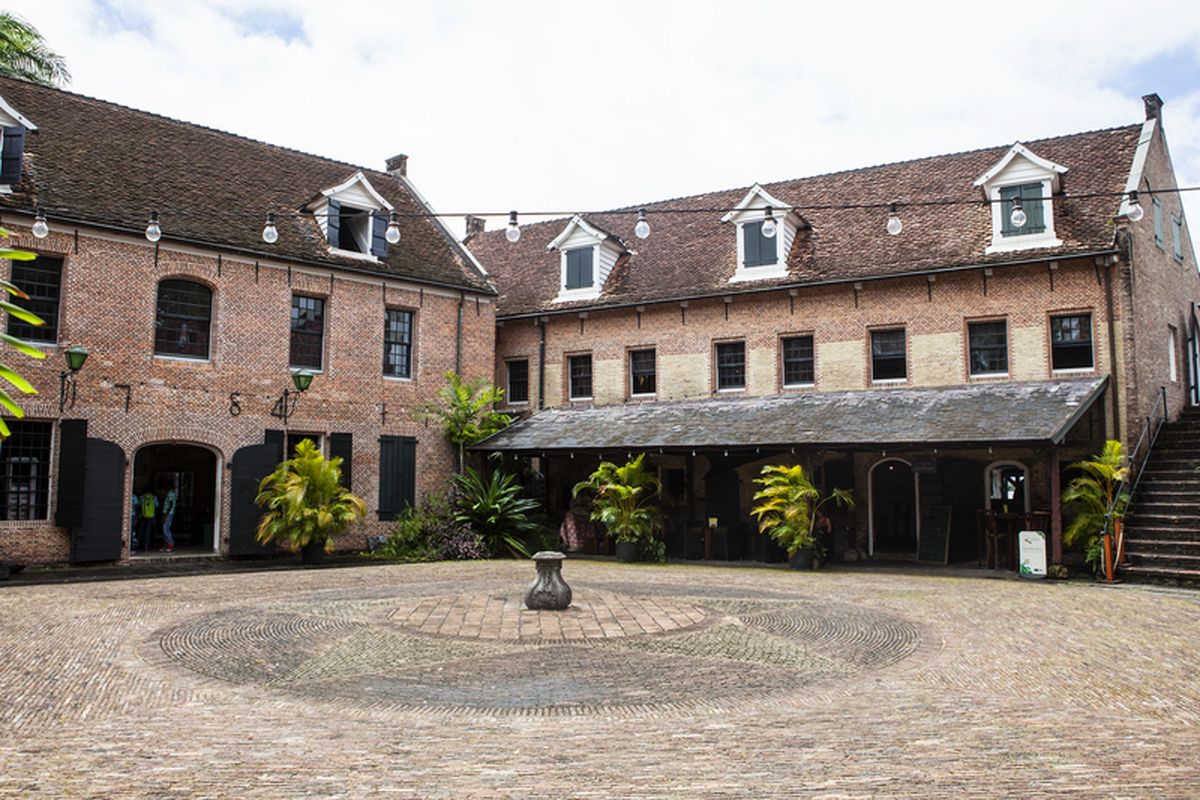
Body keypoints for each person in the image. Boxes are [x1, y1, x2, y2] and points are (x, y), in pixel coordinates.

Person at [137, 486, 158, 554]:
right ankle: (146, 546)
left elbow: (139, 505)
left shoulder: (142, 497)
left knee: (140, 531)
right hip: (151, 517)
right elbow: (156, 506)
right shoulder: (154, 497)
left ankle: (137, 545)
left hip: (143, 516)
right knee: (148, 532)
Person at [160, 483, 177, 553]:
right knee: (165, 529)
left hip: (169, 514)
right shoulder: (170, 493)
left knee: (166, 529)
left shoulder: (170, 494)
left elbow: (170, 504)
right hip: (167, 513)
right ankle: (166, 545)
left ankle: (171, 544)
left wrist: (165, 515)